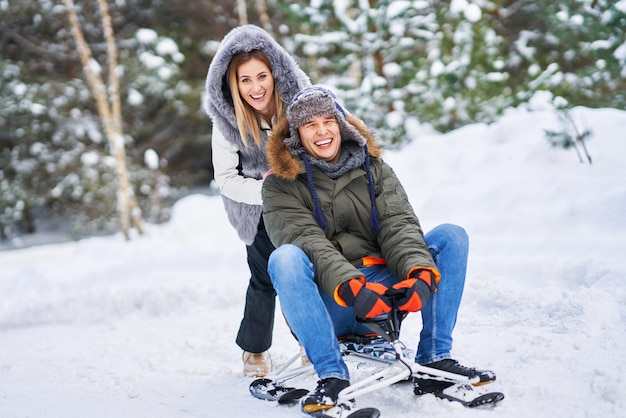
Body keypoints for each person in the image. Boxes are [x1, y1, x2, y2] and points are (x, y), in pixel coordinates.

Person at [261, 86, 496, 414]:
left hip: (383, 292)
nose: (322, 131)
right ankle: (331, 374)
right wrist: (352, 286)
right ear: (297, 134)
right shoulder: (278, 185)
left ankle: (435, 359)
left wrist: (420, 273)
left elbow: (397, 224)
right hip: (332, 299)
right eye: (310, 124)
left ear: (341, 124)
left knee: (451, 237)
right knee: (283, 257)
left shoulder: (375, 170)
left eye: (328, 120)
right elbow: (304, 239)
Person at [204, 25, 310, 377]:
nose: (256, 87)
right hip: (258, 211)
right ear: (233, 84)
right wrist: (265, 190)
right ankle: (254, 350)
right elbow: (226, 179)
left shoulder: (298, 102)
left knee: (305, 274)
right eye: (245, 80)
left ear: (276, 73)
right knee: (266, 279)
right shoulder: (227, 122)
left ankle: (311, 340)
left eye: (262, 76)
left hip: (304, 206)